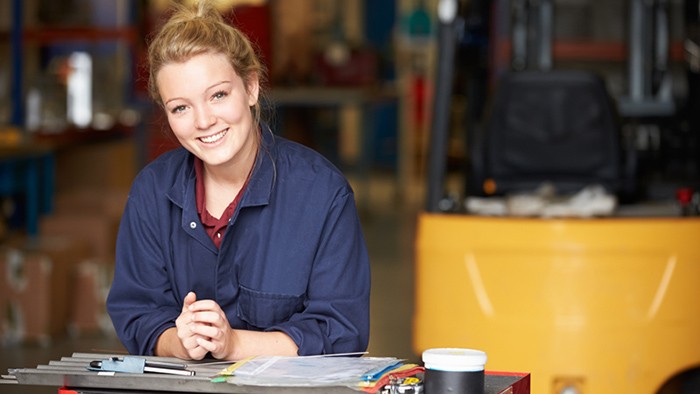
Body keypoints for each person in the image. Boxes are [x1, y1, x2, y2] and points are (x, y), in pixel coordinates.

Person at [106, 0, 370, 361]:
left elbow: (342, 331)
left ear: (250, 88)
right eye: (180, 107)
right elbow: (137, 313)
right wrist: (179, 343)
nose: (203, 121)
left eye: (218, 95)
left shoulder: (322, 194)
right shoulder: (151, 192)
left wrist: (233, 345)